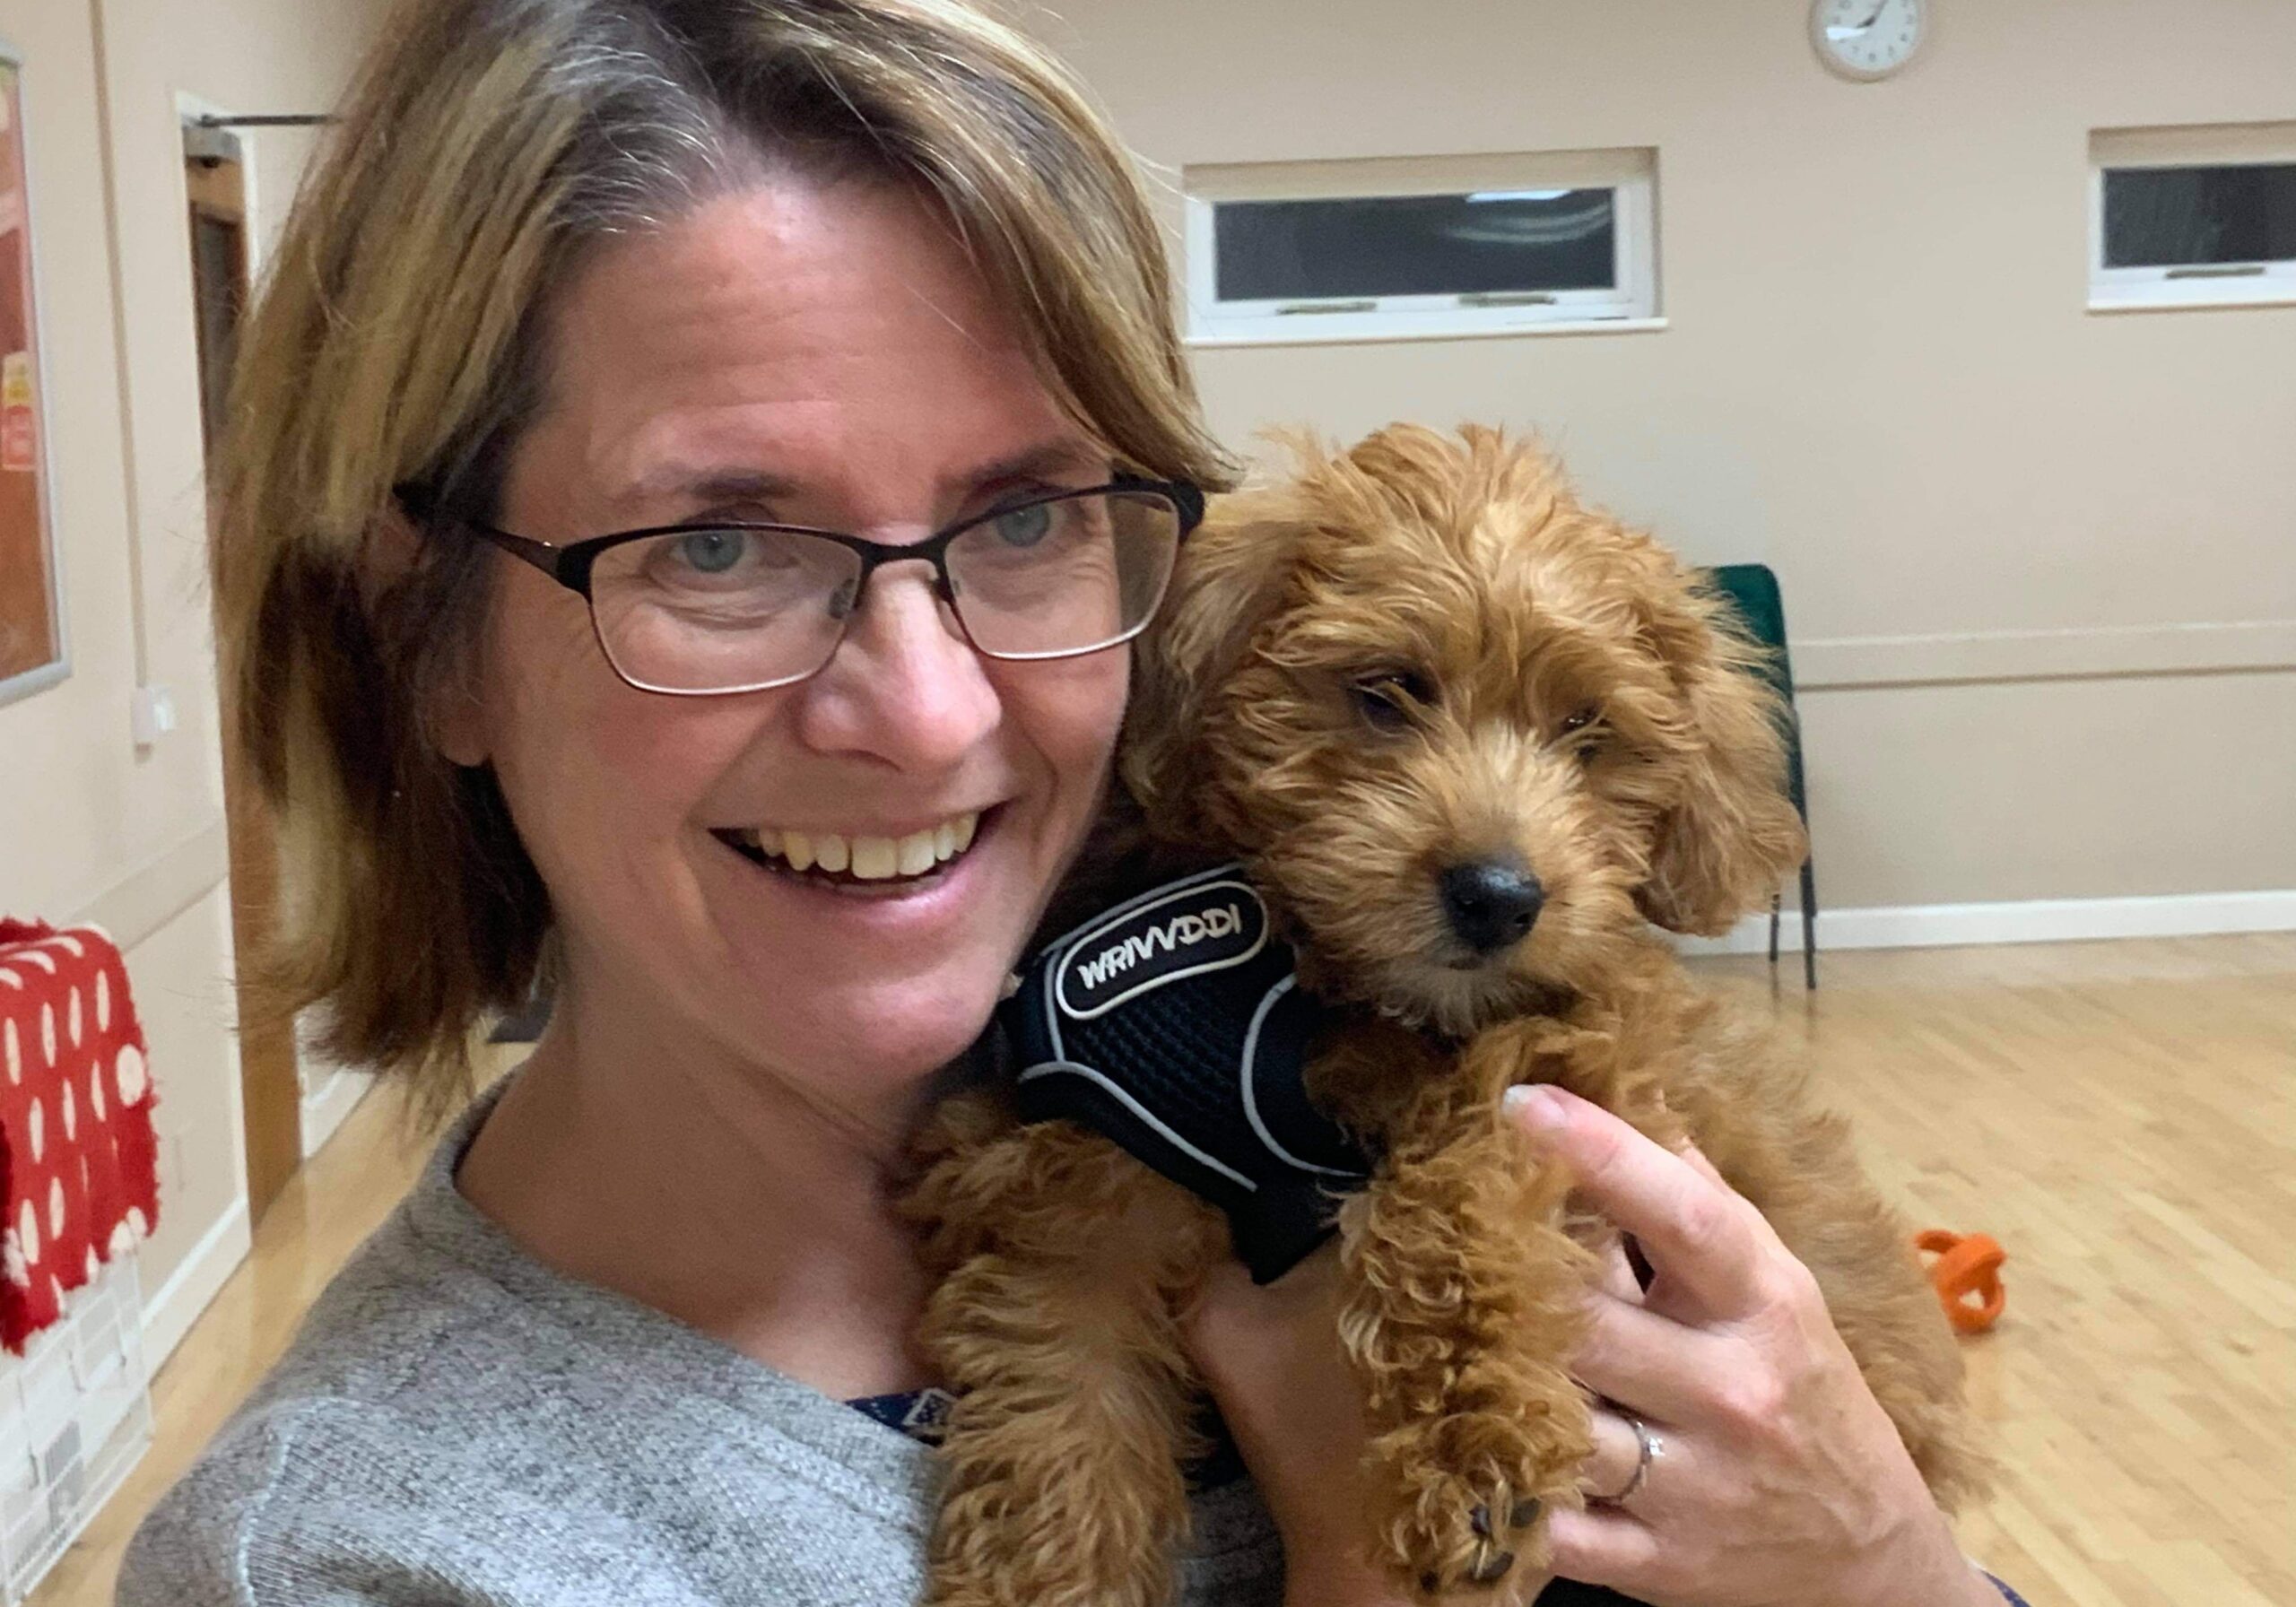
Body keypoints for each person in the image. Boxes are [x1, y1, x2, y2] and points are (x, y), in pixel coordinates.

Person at [119, 2, 2018, 1603]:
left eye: (1023, 518)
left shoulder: (1211, 1053)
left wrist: (1881, 1555)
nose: (925, 708)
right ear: (423, 637)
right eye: (716, 541)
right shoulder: (366, 1551)